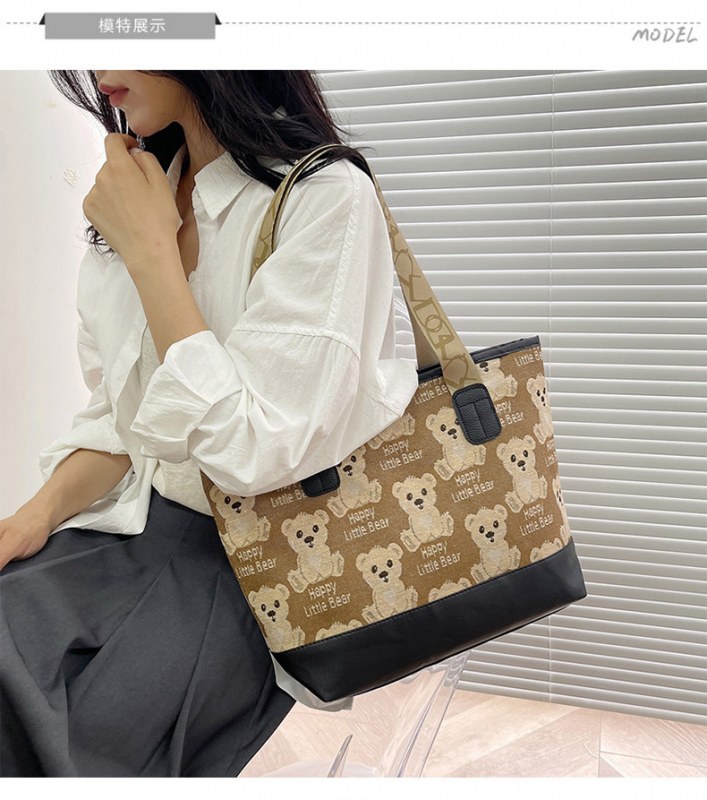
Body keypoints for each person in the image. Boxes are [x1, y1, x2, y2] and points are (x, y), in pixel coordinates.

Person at [0, 70, 419, 777]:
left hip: (255, 569)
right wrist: (31, 518)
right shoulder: (141, 192)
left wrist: (152, 254)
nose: (99, 71)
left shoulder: (322, 196)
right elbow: (123, 421)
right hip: (125, 530)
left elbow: (252, 453)